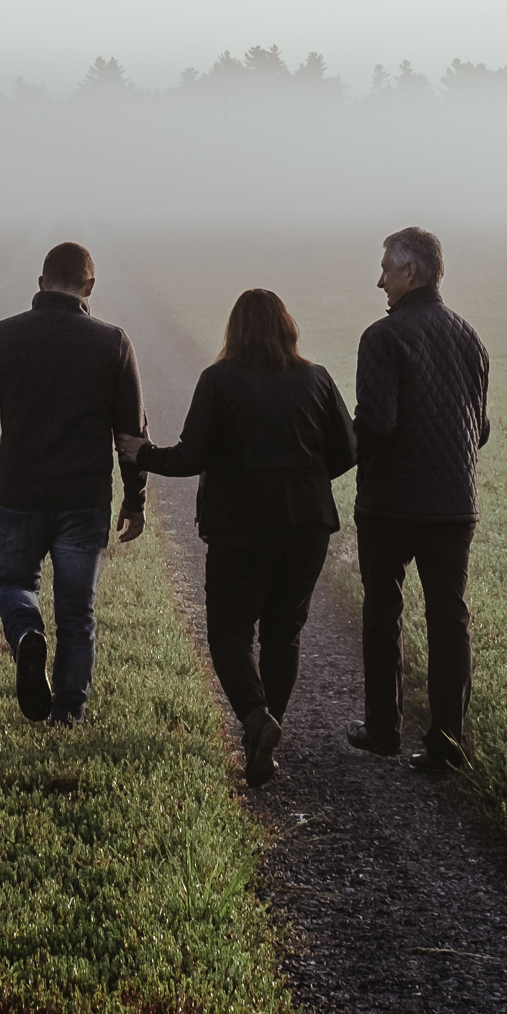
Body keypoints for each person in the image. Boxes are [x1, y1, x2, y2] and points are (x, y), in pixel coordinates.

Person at [116, 289, 356, 787]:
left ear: (233, 331)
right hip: (307, 522)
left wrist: (144, 454)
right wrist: (305, 477)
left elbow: (192, 455)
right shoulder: (316, 378)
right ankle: (267, 729)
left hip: (240, 526)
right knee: (283, 632)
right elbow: (348, 450)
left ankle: (254, 717)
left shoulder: (219, 380)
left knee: (229, 632)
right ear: (288, 328)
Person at [0, 241, 147, 726]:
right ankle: (68, 713)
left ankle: (25, 635)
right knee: (77, 613)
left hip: (21, 495)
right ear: (89, 286)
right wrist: (135, 497)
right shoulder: (113, 342)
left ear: (40, 284)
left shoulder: (2, 337)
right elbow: (130, 434)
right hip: (84, 500)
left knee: (16, 585)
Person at [346, 227, 490, 772]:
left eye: (385, 268)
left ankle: (383, 730)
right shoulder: (470, 337)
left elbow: (377, 425)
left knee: (384, 611)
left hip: (390, 503)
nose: (379, 279)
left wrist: (336, 451)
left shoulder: (382, 338)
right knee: (449, 619)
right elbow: (480, 429)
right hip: (455, 503)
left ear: (411, 273)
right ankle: (447, 746)